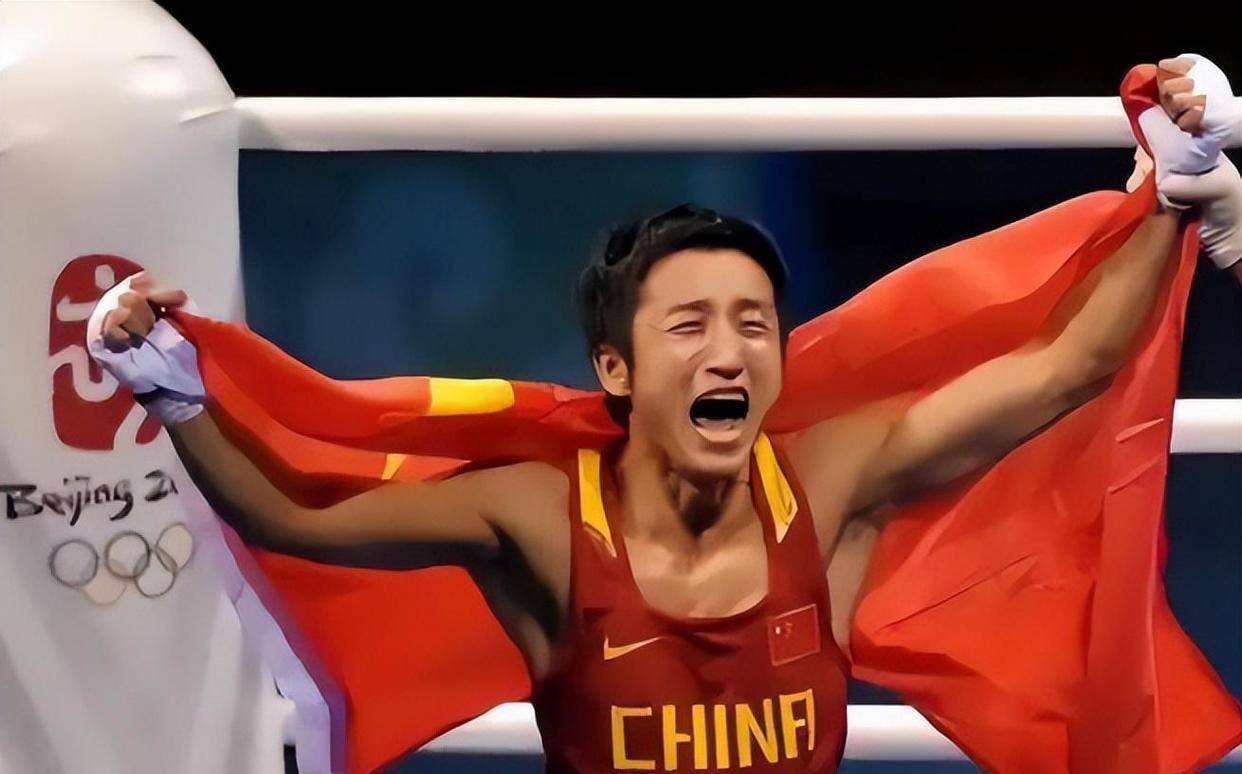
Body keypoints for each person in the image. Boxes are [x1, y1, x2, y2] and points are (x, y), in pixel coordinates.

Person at [88, 58, 1242, 773]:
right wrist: (178, 393)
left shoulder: (828, 481)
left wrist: (1173, 193)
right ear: (618, 368)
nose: (730, 349)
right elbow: (297, 519)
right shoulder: (541, 519)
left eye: (754, 324)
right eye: (689, 325)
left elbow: (1069, 366)